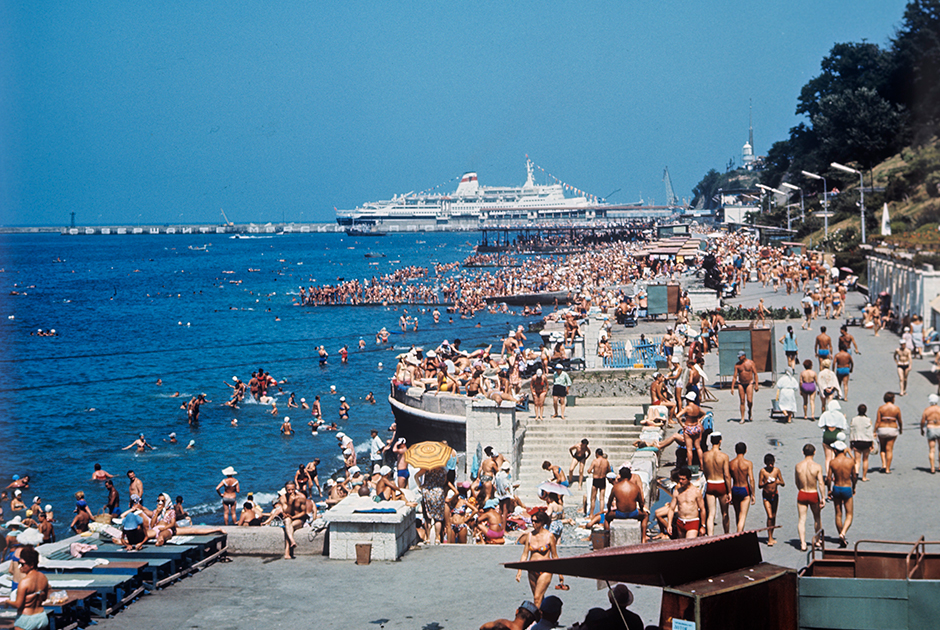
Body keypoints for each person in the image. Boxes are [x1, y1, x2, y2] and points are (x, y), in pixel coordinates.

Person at [515, 512, 558, 607]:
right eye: (532, 521)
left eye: (536, 521)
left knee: (536, 598)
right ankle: (543, 617)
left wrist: (560, 574)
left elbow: (554, 555)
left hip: (545, 569)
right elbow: (524, 554)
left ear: (542, 522)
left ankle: (537, 620)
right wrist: (519, 571)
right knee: (538, 597)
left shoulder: (549, 536)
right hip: (532, 569)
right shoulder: (529, 535)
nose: (533, 523)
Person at [2, 545, 50, 630]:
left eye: (22, 564)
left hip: (26, 619)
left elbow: (18, 605)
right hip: (41, 617)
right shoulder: (43, 578)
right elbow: (44, 598)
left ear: (31, 565)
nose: (19, 566)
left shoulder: (24, 582)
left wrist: (7, 602)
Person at [603, 467, 649, 543]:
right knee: (645, 515)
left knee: (607, 518)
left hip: (620, 513)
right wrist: (641, 509)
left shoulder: (616, 487)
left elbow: (609, 501)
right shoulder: (635, 487)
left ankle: (607, 539)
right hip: (633, 513)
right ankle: (643, 537)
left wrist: (609, 510)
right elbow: (641, 502)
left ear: (620, 475)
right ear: (630, 475)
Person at [795, 444, 826, 552]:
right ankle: (817, 540)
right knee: (817, 518)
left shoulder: (798, 466)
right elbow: (821, 483)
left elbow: (797, 482)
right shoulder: (817, 467)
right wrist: (823, 497)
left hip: (802, 492)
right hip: (813, 493)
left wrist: (801, 488)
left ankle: (803, 543)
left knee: (802, 519)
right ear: (814, 452)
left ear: (803, 452)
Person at [827, 441, 857, 548]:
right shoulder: (850, 461)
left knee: (838, 513)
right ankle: (843, 533)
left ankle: (841, 534)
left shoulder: (832, 462)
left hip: (836, 487)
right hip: (847, 487)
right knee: (849, 514)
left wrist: (829, 490)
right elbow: (854, 476)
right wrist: (854, 487)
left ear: (835, 450)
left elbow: (829, 478)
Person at [667, 466, 706, 538]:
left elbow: (702, 509)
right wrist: (669, 524)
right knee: (682, 545)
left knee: (689, 544)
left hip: (692, 521)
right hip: (680, 522)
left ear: (689, 479)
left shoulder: (696, 492)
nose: (680, 481)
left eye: (683, 479)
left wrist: (703, 526)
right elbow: (671, 509)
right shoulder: (677, 492)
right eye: (679, 479)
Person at [758, 453, 784, 546]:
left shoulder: (776, 470)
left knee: (774, 515)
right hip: (766, 496)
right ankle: (769, 537)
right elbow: (759, 485)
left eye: (772, 463)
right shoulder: (763, 471)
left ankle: (771, 536)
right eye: (769, 463)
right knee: (769, 516)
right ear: (765, 463)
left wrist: (777, 482)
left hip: (775, 495)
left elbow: (783, 482)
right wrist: (766, 482)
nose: (770, 465)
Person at [729, 442, 755, 533]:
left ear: (735, 450)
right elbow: (751, 479)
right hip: (744, 489)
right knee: (742, 515)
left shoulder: (731, 463)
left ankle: (738, 532)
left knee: (737, 514)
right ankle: (739, 533)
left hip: (735, 488)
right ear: (746, 451)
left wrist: (729, 492)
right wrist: (753, 494)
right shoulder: (748, 463)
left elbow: (728, 478)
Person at [875, 391, 903, 474]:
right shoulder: (896, 408)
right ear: (893, 399)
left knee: (882, 448)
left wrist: (874, 431)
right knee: (889, 449)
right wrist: (901, 428)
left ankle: (883, 464)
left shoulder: (881, 408)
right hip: (892, 428)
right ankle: (887, 468)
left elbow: (878, 421)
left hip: (882, 428)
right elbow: (899, 420)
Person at [818, 400, 848, 475]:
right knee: (835, 457)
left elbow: (820, 425)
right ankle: (835, 474)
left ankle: (828, 474)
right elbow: (844, 427)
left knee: (828, 457)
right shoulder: (840, 415)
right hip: (836, 434)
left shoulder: (825, 414)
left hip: (827, 434)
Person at [731, 350, 758, 423]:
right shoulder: (737, 365)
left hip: (749, 383)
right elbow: (735, 376)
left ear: (744, 356)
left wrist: (756, 385)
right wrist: (732, 387)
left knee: (749, 400)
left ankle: (750, 411)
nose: (739, 358)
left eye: (740, 357)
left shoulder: (750, 363)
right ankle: (742, 417)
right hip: (741, 383)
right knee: (742, 401)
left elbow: (755, 373)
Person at [850, 404, 874, 481]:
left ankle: (856, 473)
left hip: (857, 441)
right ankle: (864, 476)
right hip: (866, 441)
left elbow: (852, 431)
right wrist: (872, 443)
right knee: (865, 459)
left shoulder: (854, 419)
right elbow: (870, 432)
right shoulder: (868, 420)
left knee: (857, 460)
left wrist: (851, 442)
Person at [586, 449, 611, 518]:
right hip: (602, 479)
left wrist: (593, 472)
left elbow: (589, 470)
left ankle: (591, 514)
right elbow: (609, 470)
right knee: (602, 498)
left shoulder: (595, 461)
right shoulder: (606, 461)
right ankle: (601, 513)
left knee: (593, 498)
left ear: (597, 453)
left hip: (596, 479)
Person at [920, 394, 940, 474]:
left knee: (932, 449)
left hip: (931, 427)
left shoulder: (927, 410)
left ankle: (932, 467)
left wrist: (922, 429)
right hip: (939, 427)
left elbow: (923, 421)